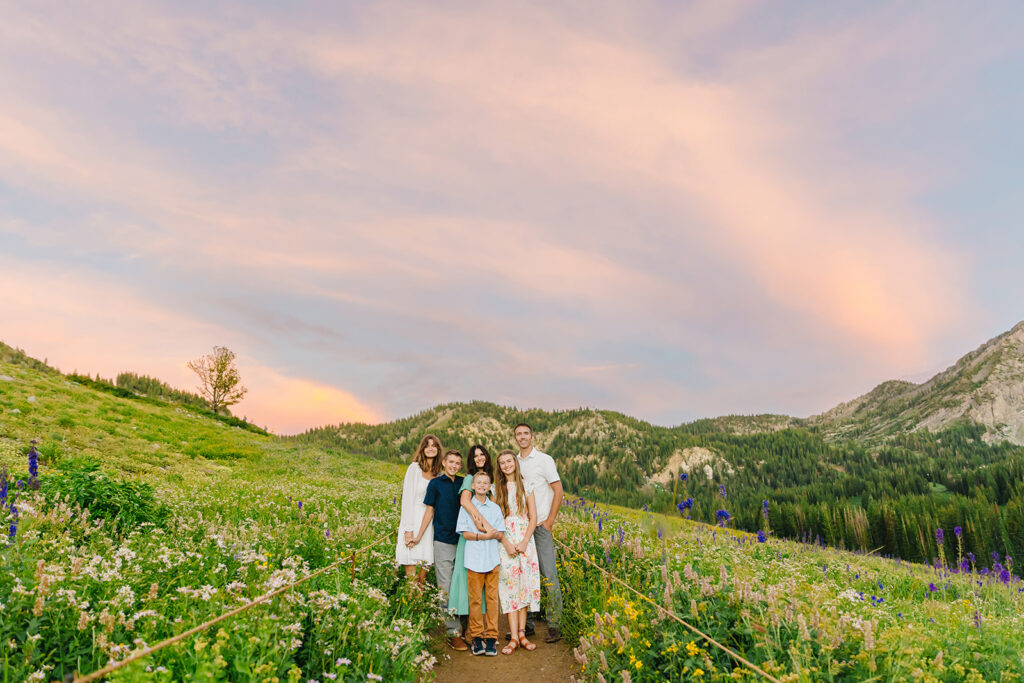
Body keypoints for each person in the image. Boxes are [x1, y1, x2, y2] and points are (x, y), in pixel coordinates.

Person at [515, 422, 564, 642]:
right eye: (519, 434)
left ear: (532, 436)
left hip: (540, 527)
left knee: (549, 574)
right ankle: (528, 624)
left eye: (526, 433)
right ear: (515, 438)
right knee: (524, 575)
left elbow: (558, 491)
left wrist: (550, 520)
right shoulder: (514, 462)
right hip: (520, 528)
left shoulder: (545, 460)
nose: (522, 437)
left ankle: (554, 624)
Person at [494, 449, 541, 654]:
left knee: (524, 587)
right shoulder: (498, 489)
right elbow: (496, 520)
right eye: (502, 463)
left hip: (525, 541)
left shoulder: (527, 485)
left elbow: (533, 517)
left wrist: (524, 542)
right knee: (509, 588)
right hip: (506, 542)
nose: (506, 465)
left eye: (509, 461)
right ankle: (512, 637)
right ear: (500, 467)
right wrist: (506, 542)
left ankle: (522, 634)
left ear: (515, 462)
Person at [422, 449, 469, 650]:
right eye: (450, 461)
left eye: (457, 463)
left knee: (464, 585)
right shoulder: (435, 484)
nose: (454, 465)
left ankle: (467, 629)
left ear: (460, 466)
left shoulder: (463, 483)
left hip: (463, 541)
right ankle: (453, 632)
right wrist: (417, 535)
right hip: (442, 540)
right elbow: (430, 510)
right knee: (446, 588)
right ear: (443, 463)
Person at [455, 470, 506, 656]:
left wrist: (492, 535)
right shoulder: (467, 508)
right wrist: (484, 536)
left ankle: (492, 637)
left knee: (492, 600)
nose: (483, 485)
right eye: (479, 483)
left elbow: (500, 532)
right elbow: (465, 533)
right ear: (473, 486)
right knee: (475, 600)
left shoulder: (495, 508)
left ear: (490, 486)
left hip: (492, 559)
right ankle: (477, 637)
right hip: (474, 559)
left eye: (486, 483)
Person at [449, 444, 494, 628]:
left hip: (487, 536)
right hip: (471, 534)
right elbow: (465, 500)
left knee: (484, 576)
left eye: (482, 454)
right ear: (471, 460)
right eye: (475, 456)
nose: (479, 458)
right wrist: (479, 520)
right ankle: (464, 622)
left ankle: (479, 624)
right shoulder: (469, 478)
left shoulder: (490, 479)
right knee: (467, 575)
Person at [395, 434, 442, 583]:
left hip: (428, 526)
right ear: (422, 449)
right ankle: (409, 605)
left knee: (422, 579)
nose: (430, 448)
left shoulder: (438, 474)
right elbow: (407, 500)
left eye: (433, 445)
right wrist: (408, 529)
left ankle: (419, 606)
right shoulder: (414, 468)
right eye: (427, 445)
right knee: (412, 579)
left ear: (438, 449)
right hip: (413, 522)